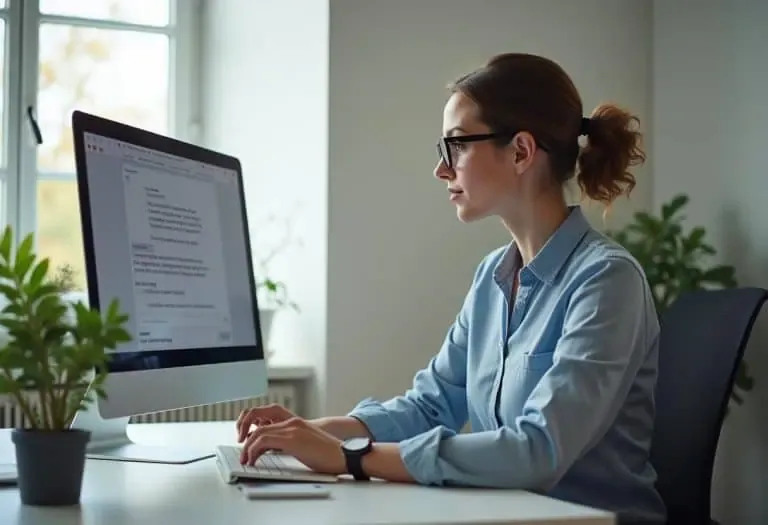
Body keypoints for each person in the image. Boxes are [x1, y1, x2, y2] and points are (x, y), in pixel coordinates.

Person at [236, 52, 666, 525]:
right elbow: (432, 404)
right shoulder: (491, 278)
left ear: (521, 151)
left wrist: (351, 456)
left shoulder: (607, 280)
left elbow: (538, 449)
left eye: (457, 145)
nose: (442, 169)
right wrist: (312, 433)